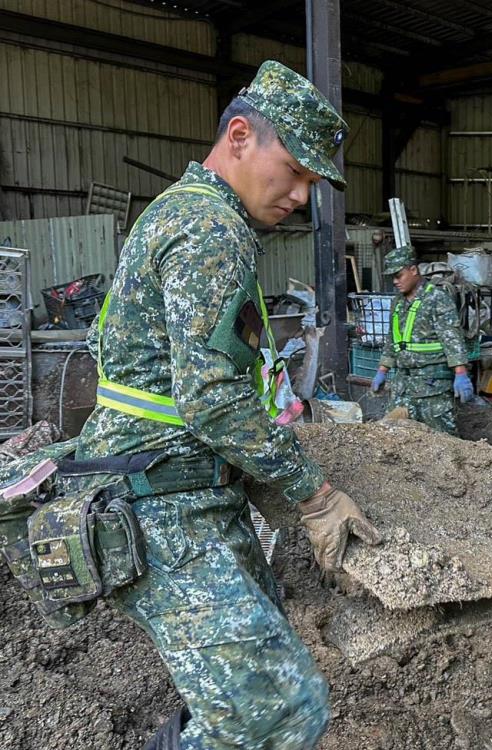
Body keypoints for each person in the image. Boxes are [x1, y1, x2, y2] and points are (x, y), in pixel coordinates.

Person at [76, 60, 381, 750]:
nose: (301, 195)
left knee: (249, 702)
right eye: (295, 171)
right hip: (162, 502)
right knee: (278, 713)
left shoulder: (185, 213)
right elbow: (210, 397)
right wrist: (315, 494)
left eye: (312, 183)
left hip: (179, 490)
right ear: (240, 136)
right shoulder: (210, 228)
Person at [370, 245, 473, 433]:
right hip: (403, 386)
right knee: (395, 436)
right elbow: (392, 340)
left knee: (442, 438)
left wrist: (460, 373)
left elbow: (452, 339)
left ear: (413, 270)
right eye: (392, 277)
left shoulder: (437, 298)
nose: (395, 281)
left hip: (432, 387)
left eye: (398, 275)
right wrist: (382, 370)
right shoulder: (397, 302)